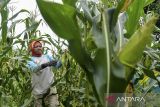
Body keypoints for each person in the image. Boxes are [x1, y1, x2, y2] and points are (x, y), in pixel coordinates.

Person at [27, 40, 61, 107]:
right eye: (36, 46)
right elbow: (34, 69)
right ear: (32, 48)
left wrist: (61, 60)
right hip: (38, 91)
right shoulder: (29, 59)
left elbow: (57, 65)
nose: (39, 48)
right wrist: (46, 64)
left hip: (51, 89)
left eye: (40, 46)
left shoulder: (47, 56)